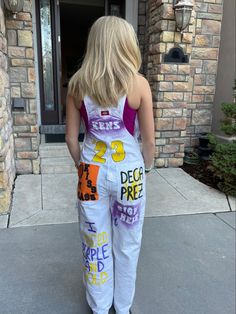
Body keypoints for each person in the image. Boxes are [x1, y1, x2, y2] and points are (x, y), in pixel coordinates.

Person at [65, 16, 155, 314]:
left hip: (91, 171)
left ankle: (100, 306)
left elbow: (71, 139)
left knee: (95, 240)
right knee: (128, 244)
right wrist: (147, 168)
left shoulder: (77, 85)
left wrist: (83, 165)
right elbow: (149, 143)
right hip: (129, 173)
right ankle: (123, 305)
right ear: (126, 44)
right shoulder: (138, 84)